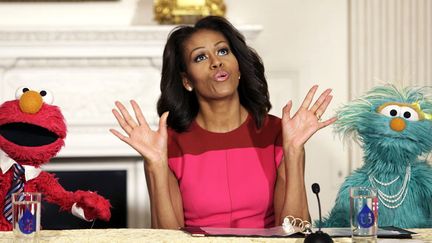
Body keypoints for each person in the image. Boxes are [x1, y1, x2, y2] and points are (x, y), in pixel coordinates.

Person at [110, 16, 336, 229]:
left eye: (222, 51)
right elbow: (167, 239)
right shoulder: (167, 145)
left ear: (238, 67)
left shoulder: (279, 133)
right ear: (187, 80)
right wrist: (156, 165)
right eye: (200, 57)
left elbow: (294, 232)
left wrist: (294, 152)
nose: (216, 62)